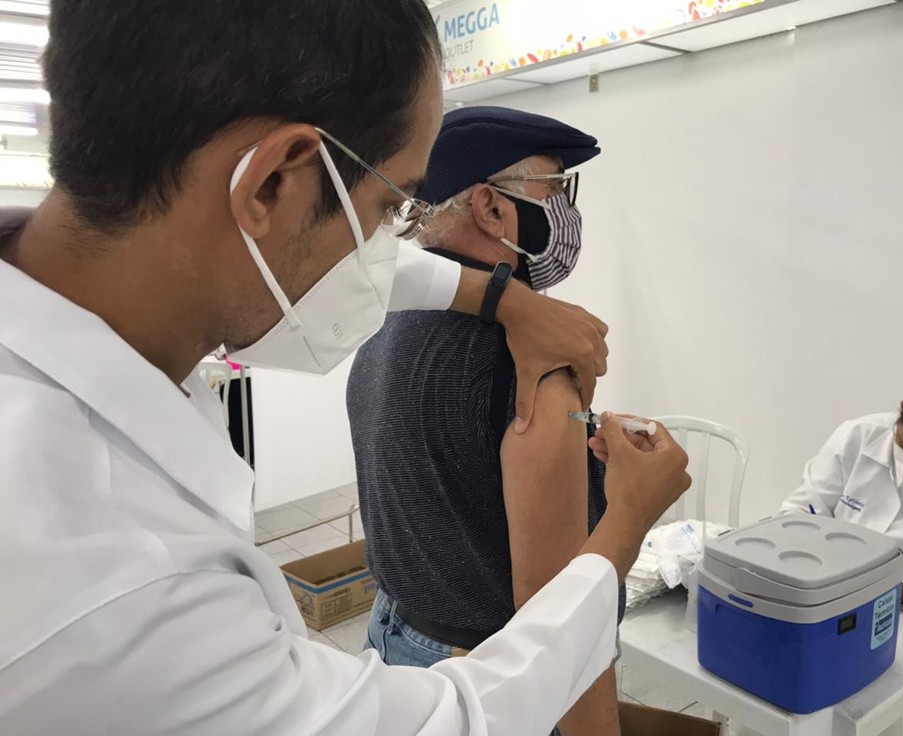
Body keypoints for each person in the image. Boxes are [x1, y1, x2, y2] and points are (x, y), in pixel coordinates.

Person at [0, 3, 692, 735]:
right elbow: (458, 718)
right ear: (273, 184)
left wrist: (502, 299)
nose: (385, 254)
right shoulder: (122, 587)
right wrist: (624, 524)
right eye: (390, 208)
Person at [348, 106, 620, 736]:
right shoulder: (534, 371)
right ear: (492, 208)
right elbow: (560, 619)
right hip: (486, 677)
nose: (565, 212)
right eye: (555, 190)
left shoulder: (386, 324)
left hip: (392, 642)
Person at [779, 370, 903, 736]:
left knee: (902, 713)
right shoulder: (857, 436)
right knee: (788, 699)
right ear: (899, 413)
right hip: (831, 592)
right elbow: (798, 512)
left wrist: (895, 589)